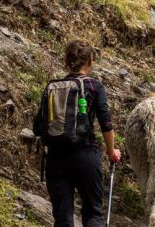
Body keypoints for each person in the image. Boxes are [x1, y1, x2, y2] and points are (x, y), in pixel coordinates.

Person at [33, 40, 121, 227]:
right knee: (92, 213)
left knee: (63, 218)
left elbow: (38, 127)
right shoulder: (94, 86)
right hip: (86, 155)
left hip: (56, 159)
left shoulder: (52, 87)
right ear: (90, 62)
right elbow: (106, 123)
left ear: (67, 61)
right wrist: (111, 151)